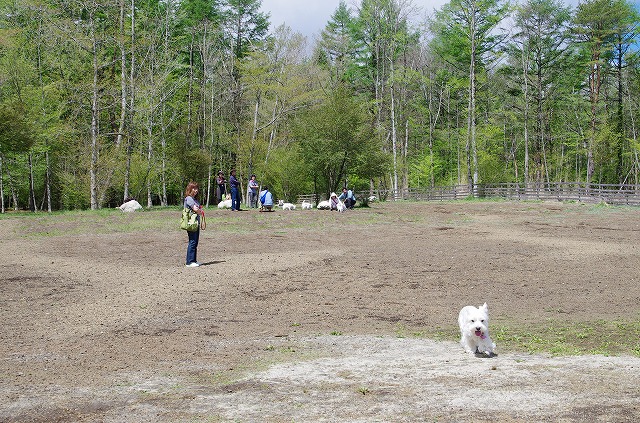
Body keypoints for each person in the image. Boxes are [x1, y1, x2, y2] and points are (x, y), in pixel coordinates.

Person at [184, 181, 204, 267]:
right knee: (192, 241)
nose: (196, 190)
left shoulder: (194, 199)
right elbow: (196, 209)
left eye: (196, 188)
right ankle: (189, 262)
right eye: (194, 188)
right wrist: (200, 211)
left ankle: (193, 260)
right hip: (191, 223)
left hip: (195, 223)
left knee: (195, 242)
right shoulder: (189, 198)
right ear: (190, 189)